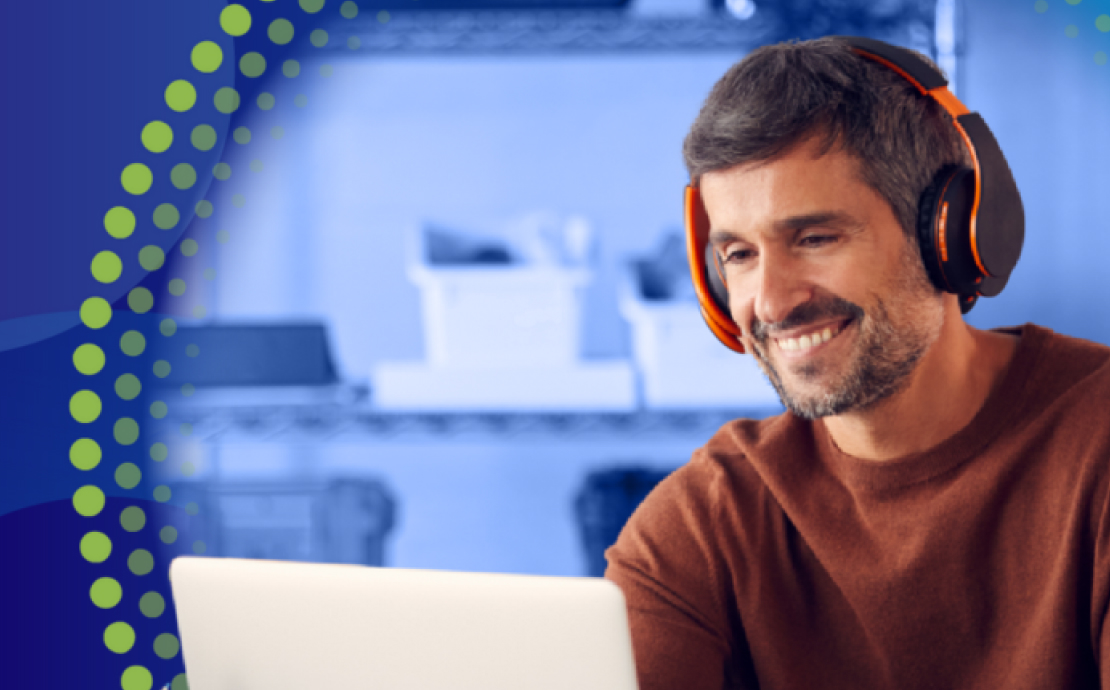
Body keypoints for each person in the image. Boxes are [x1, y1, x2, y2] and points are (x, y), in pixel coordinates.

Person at [603, 36, 1110, 689]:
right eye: (739, 255)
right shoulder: (704, 523)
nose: (773, 301)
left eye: (814, 238)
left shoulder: (1096, 445)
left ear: (951, 235)